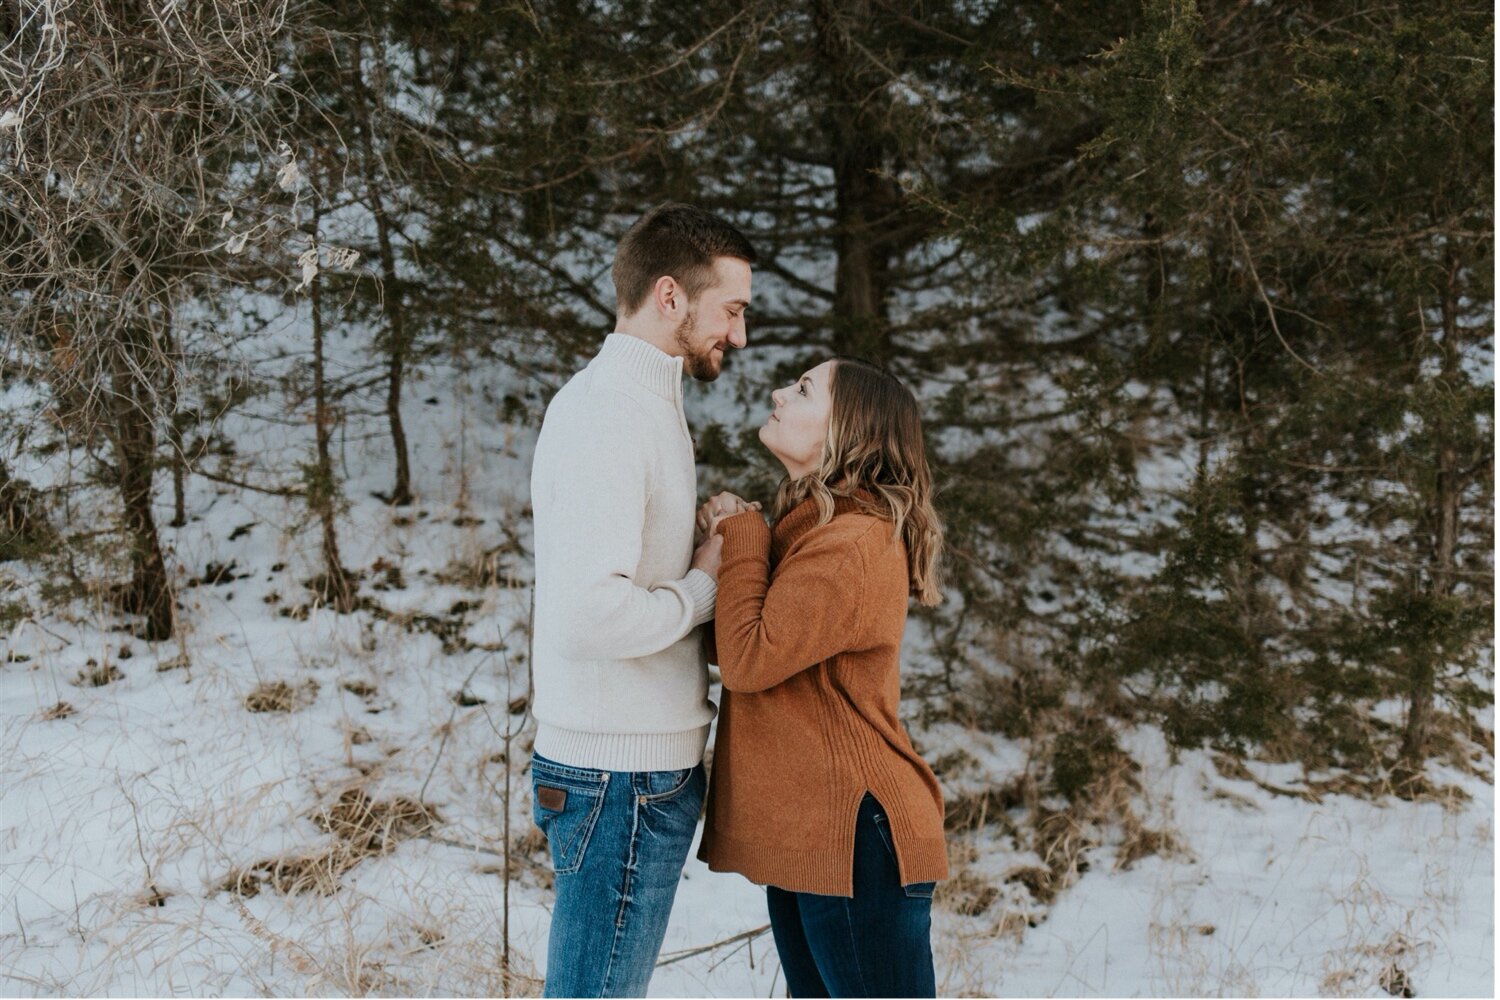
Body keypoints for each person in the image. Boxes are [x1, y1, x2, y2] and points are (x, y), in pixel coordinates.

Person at [527, 203, 756, 997]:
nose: (739, 334)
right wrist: (702, 585)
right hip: (615, 776)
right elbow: (591, 610)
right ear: (670, 296)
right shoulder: (609, 415)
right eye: (731, 309)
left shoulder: (646, 406)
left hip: (628, 770)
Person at [697, 357, 948, 998]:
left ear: (849, 432)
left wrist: (742, 532)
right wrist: (731, 548)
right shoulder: (812, 532)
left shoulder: (853, 544)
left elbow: (749, 658)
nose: (780, 392)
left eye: (804, 389)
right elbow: (736, 639)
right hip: (817, 830)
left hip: (856, 833)